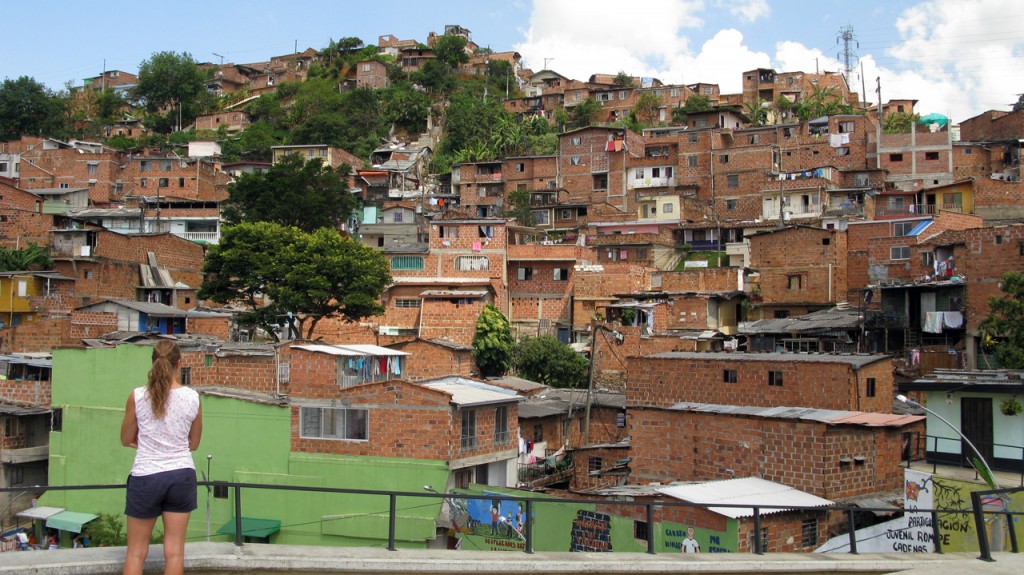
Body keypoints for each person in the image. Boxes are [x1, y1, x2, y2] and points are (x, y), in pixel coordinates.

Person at [121, 341, 202, 575]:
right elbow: (194, 444)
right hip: (181, 475)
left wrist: (145, 442)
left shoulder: (136, 396)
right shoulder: (192, 398)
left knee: (136, 553)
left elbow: (125, 438)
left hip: (146, 476)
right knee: (175, 552)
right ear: (179, 364)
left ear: (153, 362)